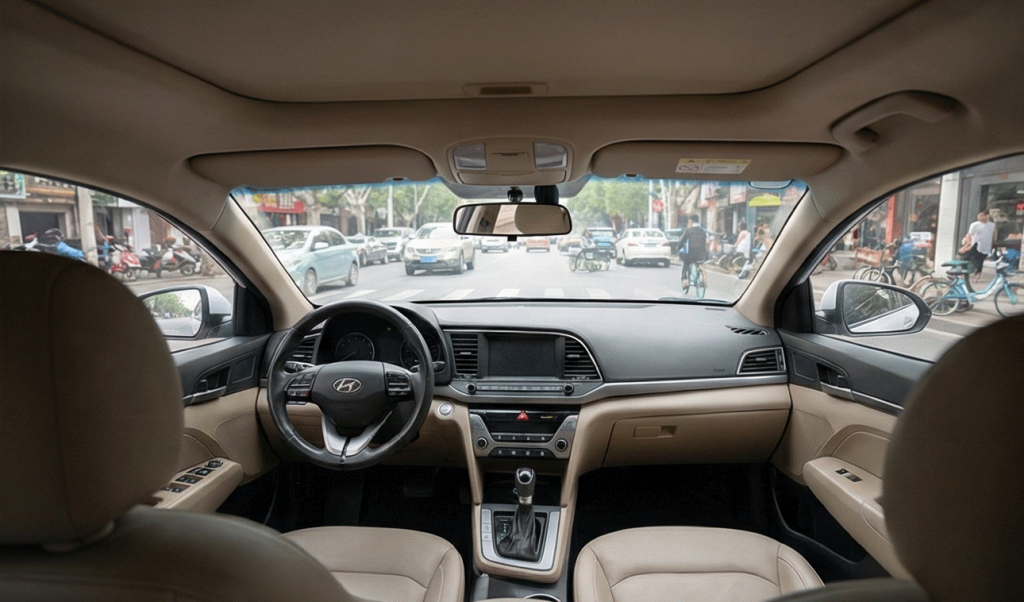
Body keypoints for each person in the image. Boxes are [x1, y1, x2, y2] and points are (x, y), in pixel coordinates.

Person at [961, 210, 997, 282]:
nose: (979, 217)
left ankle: (977, 274)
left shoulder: (992, 225)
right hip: (975, 245)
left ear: (987, 216)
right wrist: (966, 246)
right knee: (965, 258)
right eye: (979, 215)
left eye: (981, 215)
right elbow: (969, 235)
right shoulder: (974, 225)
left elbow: (994, 236)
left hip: (986, 246)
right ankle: (964, 272)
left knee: (980, 261)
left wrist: (993, 244)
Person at [679, 215, 708, 287]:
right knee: (699, 263)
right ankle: (702, 276)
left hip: (691, 256)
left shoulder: (688, 231)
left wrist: (679, 249)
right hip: (702, 256)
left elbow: (681, 242)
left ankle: (685, 280)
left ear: (691, 221)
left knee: (686, 263)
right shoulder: (703, 231)